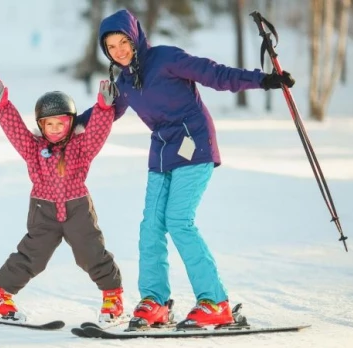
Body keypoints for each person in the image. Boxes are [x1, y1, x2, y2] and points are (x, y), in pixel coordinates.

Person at [77, 9, 295, 329]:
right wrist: (70, 125)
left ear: (135, 38)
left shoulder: (165, 58)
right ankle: (155, 302)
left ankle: (215, 302)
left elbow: (214, 74)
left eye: (123, 41)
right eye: (111, 47)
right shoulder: (123, 81)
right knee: (151, 224)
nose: (119, 50)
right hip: (162, 153)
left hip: (195, 144)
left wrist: (263, 80)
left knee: (179, 221)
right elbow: (107, 114)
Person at [0, 78, 123, 323]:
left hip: (77, 208)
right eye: (49, 124)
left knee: (91, 252)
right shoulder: (34, 148)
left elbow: (98, 133)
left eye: (61, 123)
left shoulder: (81, 146)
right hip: (42, 210)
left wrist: (103, 108)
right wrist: (3, 106)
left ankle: (112, 297)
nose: (55, 128)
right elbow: (16, 132)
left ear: (71, 123)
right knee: (32, 255)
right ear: (41, 125)